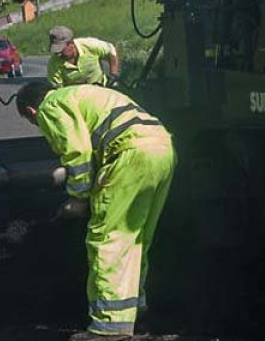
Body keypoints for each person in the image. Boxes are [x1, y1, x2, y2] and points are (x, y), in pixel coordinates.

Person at [16, 81, 176, 341]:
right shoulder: (82, 93)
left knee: (107, 240)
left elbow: (77, 153)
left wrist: (78, 198)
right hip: (163, 149)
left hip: (130, 155)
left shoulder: (50, 106)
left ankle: (108, 328)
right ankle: (136, 314)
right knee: (135, 240)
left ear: (31, 111)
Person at [47, 26, 121, 88]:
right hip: (77, 97)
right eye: (56, 51)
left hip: (101, 88)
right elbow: (58, 90)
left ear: (71, 44)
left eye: (61, 50)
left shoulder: (90, 45)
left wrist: (113, 75)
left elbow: (111, 50)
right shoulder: (53, 65)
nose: (58, 54)